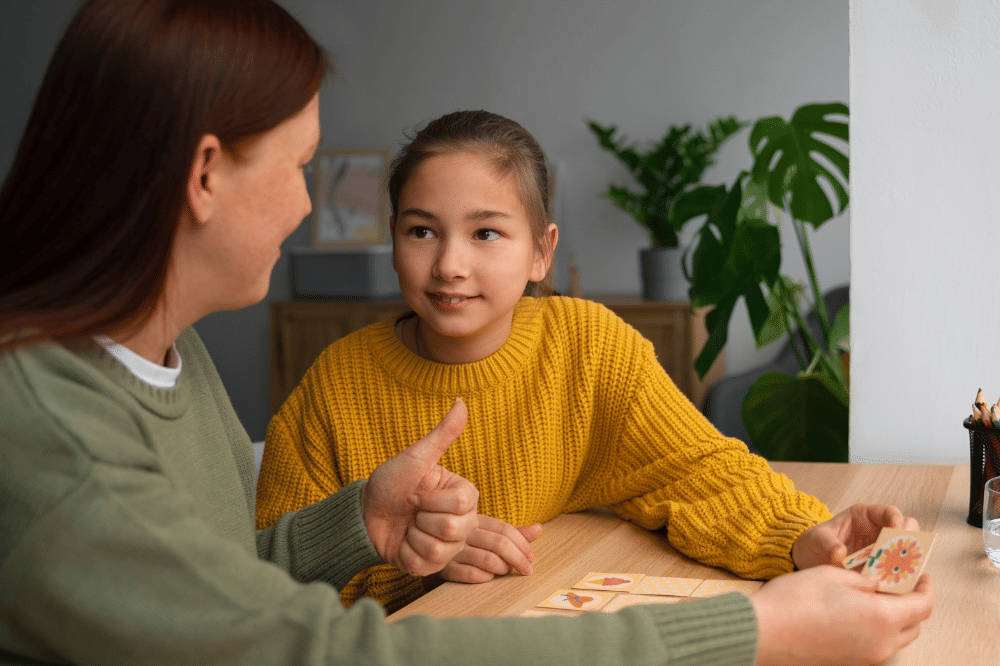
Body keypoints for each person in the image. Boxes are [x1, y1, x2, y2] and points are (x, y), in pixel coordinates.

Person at [0, 1, 932, 664]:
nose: (307, 204)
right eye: (299, 166)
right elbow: (312, 650)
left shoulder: (172, 356)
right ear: (206, 175)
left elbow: (217, 599)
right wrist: (756, 635)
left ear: (540, 252)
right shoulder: (52, 434)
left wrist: (360, 524)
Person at [256, 109, 934, 651]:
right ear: (394, 238)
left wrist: (802, 537)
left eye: (486, 233)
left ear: (541, 253)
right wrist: (412, 565)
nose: (450, 264)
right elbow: (262, 592)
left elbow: (698, 470)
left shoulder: (588, 345)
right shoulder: (333, 386)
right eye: (421, 231)